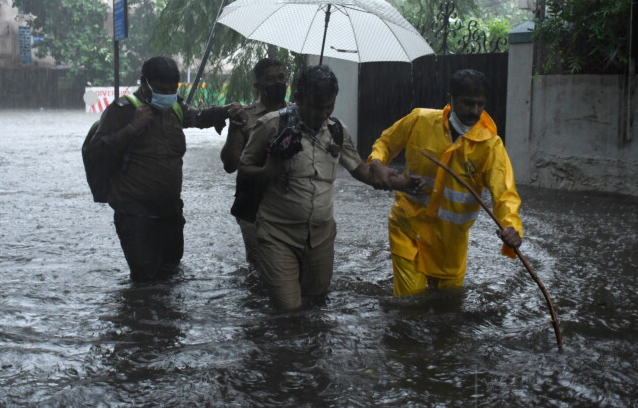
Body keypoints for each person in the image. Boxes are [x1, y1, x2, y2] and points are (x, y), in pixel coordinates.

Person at [238, 65, 416, 310]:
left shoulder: (336, 131)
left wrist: (400, 182)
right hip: (277, 235)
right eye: (314, 106)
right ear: (298, 98)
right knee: (288, 308)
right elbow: (243, 168)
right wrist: (270, 171)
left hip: (320, 238)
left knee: (316, 303)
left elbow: (360, 170)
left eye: (328, 107)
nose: (321, 113)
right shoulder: (271, 126)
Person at [88, 55, 245, 282]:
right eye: (161, 89)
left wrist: (224, 112)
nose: (167, 94)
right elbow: (97, 152)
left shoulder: (175, 107)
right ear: (145, 82)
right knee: (144, 280)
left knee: (171, 274)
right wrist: (132, 127)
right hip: (135, 213)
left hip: (170, 211)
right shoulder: (121, 110)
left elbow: (197, 117)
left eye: (172, 89)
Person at [367, 68, 523, 296]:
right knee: (411, 303)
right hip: (408, 230)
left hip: (450, 245)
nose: (475, 111)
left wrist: (512, 226)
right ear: (449, 99)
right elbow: (386, 142)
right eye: (468, 103)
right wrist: (376, 162)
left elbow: (505, 193)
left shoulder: (491, 146)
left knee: (449, 307)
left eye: (481, 104)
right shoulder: (419, 120)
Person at [220, 58, 289, 263]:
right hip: (254, 206)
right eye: (270, 79)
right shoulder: (246, 117)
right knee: (260, 267)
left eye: (281, 78)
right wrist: (234, 128)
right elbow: (230, 165)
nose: (277, 83)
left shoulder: (298, 114)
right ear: (258, 86)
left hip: (290, 203)